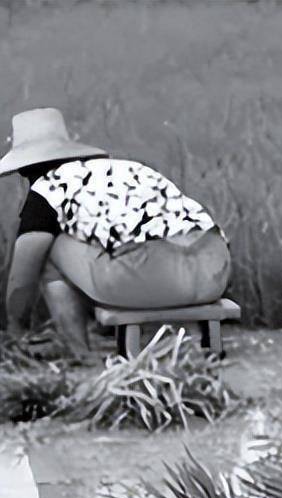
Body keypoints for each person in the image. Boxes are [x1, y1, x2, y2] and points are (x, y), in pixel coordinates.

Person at [1, 108, 230, 357]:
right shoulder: (131, 169)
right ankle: (195, 339)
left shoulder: (47, 189)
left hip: (152, 277)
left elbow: (21, 277)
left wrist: (15, 327)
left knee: (47, 250)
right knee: (133, 239)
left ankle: (81, 352)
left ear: (25, 169)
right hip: (215, 271)